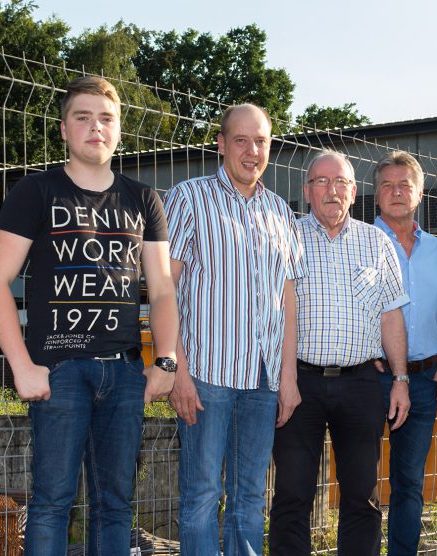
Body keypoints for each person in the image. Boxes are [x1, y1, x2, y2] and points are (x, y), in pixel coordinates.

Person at [0, 76, 179, 555]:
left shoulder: (144, 199)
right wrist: (21, 365)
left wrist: (166, 360)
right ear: (65, 130)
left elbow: (164, 290)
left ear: (119, 130)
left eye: (106, 118)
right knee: (52, 502)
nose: (96, 127)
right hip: (60, 371)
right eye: (83, 117)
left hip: (126, 371)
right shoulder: (36, 191)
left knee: (116, 504)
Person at [164, 103, 304, 555]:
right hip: (205, 375)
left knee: (249, 499)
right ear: (221, 144)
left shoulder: (281, 211)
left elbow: (287, 300)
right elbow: (165, 288)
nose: (252, 150)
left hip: (262, 381)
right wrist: (176, 370)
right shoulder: (188, 197)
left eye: (261, 140)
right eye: (241, 140)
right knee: (202, 497)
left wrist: (288, 377)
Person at [269, 150, 411, 556]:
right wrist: (284, 379)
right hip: (300, 382)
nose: (332, 190)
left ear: (353, 192)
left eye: (341, 183)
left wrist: (400, 380)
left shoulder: (377, 241)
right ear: (307, 191)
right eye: (321, 182)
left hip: (362, 384)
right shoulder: (286, 236)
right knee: (292, 494)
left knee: (362, 496)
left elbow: (391, 317)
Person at [372, 150, 437, 555]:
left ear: (420, 192)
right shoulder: (358, 241)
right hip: (369, 376)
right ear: (374, 196)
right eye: (386, 185)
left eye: (404, 184)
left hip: (422, 380)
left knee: (409, 483)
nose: (396, 192)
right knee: (361, 481)